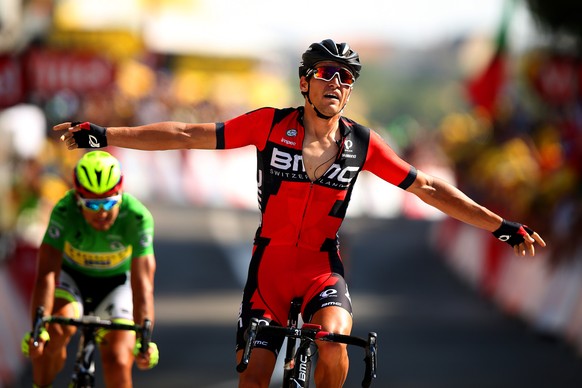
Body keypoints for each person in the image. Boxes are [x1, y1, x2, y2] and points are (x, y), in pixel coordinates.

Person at [53, 39, 546, 388]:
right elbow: (187, 134)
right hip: (269, 268)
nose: (336, 82)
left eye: (346, 77)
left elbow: (430, 188)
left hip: (319, 269)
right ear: (305, 83)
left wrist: (501, 227)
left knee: (334, 341)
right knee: (254, 376)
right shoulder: (269, 126)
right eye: (326, 73)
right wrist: (106, 134)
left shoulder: (361, 144)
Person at [21, 150, 159, 388]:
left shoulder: (137, 217)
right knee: (54, 334)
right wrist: (38, 328)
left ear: (120, 192)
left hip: (116, 285)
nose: (101, 212)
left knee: (118, 358)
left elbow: (142, 283)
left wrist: (144, 339)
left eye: (109, 202)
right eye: (92, 204)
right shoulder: (64, 211)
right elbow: (46, 273)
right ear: (77, 198)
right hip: (73, 280)